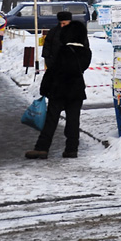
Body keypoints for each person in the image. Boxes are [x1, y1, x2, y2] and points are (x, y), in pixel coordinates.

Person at [26, 19, 91, 159]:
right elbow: (82, 68)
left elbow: (53, 70)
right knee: (73, 120)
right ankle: (71, 149)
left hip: (59, 89)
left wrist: (44, 88)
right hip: (76, 90)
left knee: (51, 120)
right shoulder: (86, 53)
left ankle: (42, 148)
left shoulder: (63, 50)